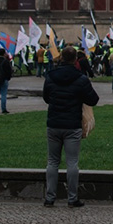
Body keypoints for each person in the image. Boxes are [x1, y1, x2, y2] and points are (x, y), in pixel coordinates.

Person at [43, 46, 99, 209]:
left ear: (61, 57)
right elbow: (93, 99)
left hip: (53, 123)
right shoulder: (81, 79)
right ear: (75, 59)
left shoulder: (51, 76)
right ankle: (72, 198)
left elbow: (46, 98)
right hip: (72, 124)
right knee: (72, 162)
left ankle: (49, 197)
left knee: (52, 161)